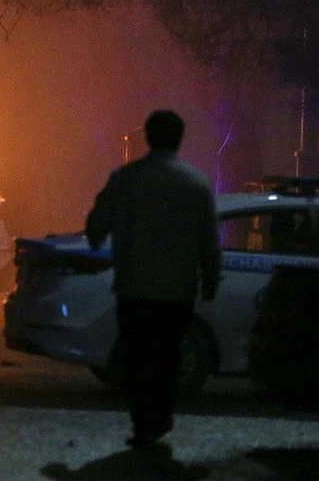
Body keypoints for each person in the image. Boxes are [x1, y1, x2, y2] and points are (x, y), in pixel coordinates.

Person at [85, 109, 220, 448]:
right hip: (177, 291)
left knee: (138, 356)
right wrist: (212, 277)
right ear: (180, 139)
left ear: (147, 137)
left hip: (134, 288)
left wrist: (99, 237)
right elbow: (209, 238)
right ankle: (160, 418)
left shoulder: (126, 179)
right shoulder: (197, 184)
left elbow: (97, 225)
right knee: (167, 356)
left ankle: (142, 421)